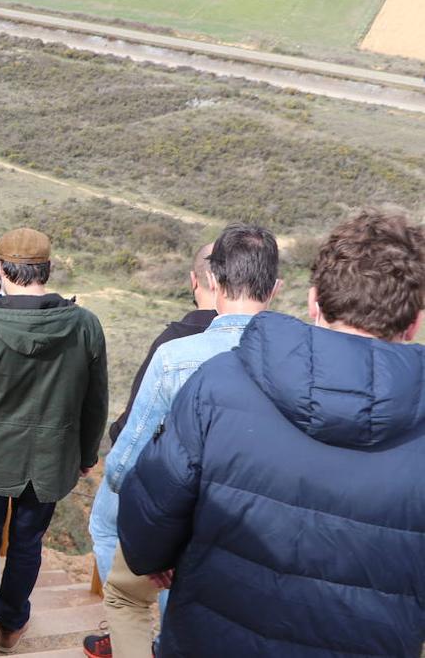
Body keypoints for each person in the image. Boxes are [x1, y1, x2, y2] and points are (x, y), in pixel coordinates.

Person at [118, 211, 425, 658]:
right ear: (414, 321)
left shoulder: (218, 384)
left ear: (313, 300)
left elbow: (148, 517)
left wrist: (162, 556)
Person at [86, 227, 279, 658]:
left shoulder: (176, 358)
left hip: (184, 523)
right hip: (259, 536)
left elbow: (124, 467)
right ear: (277, 287)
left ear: (212, 282)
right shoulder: (299, 362)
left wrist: (152, 537)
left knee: (124, 594)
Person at [0, 227, 108, 657]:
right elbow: (95, 403)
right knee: (28, 544)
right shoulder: (84, 325)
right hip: (51, 462)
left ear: (0, 269)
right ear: (46, 269)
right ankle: (11, 625)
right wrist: (85, 456)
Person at [84, 242, 217, 614]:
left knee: (106, 526)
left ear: (196, 281)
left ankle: (132, 618)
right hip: (226, 489)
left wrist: (116, 450)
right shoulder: (271, 345)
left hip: (168, 476)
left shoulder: (175, 345)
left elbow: (137, 425)